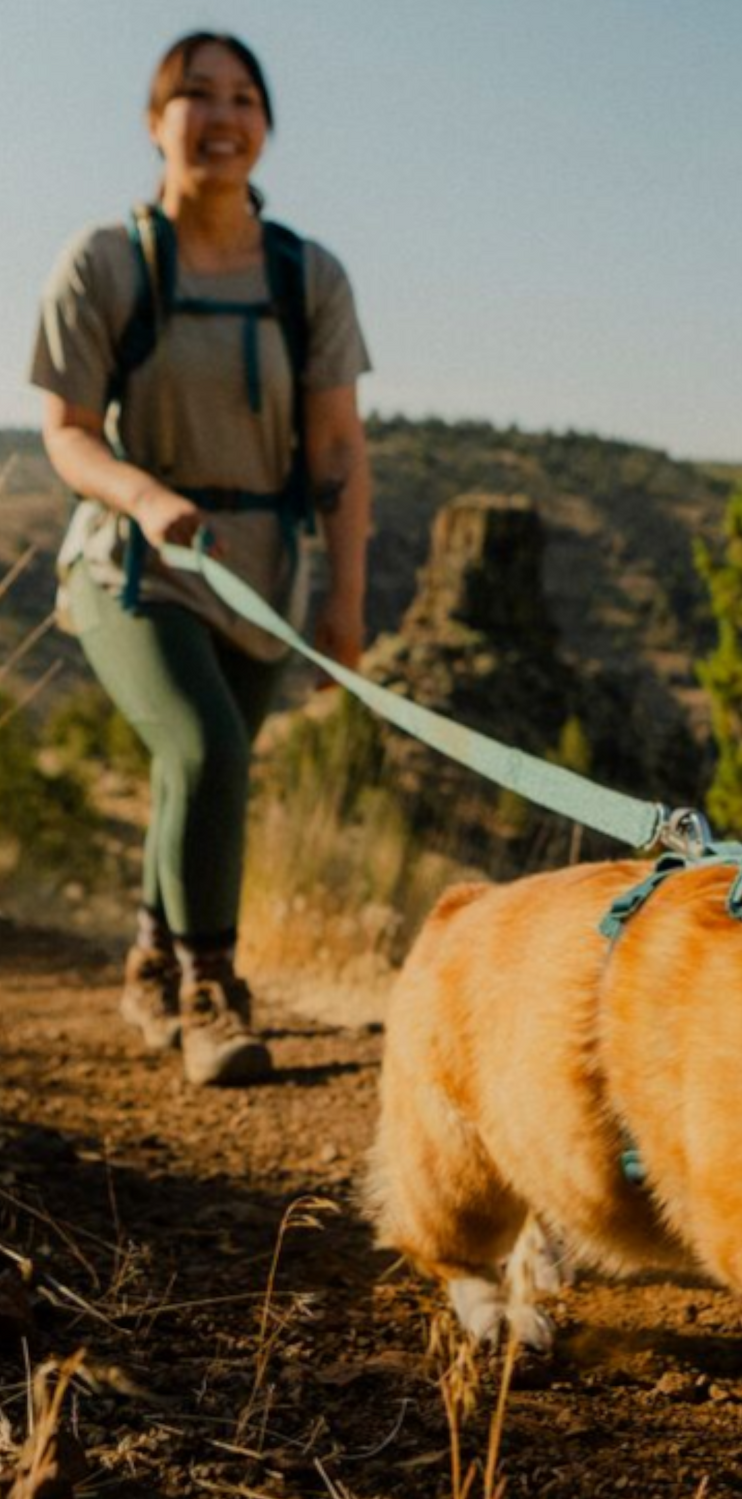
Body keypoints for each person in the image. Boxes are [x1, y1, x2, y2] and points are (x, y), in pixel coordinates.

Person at [30, 32, 372, 1085]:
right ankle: (211, 995)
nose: (222, 119)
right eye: (197, 96)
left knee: (199, 770)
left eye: (243, 99)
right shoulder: (103, 263)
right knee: (207, 749)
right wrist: (145, 497)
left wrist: (345, 603)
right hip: (131, 565)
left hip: (262, 574)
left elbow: (338, 448)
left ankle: (149, 962)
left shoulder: (307, 276)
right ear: (154, 121)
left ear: (266, 124)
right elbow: (66, 431)